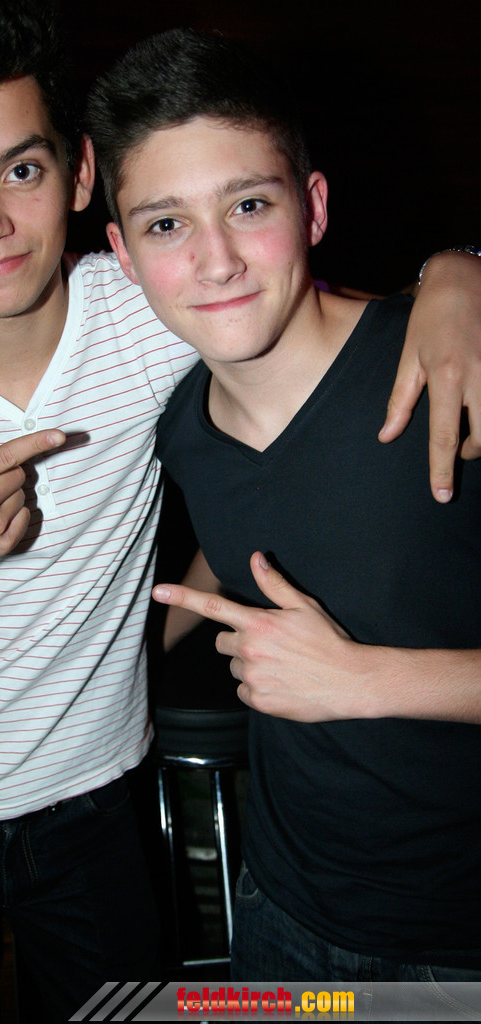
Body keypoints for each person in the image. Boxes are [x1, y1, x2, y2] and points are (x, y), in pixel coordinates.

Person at [0, 3, 479, 1019]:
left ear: (78, 176)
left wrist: (456, 270)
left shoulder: (158, 310)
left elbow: (301, 296)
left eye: (19, 170)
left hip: (102, 802)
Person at [85, 25, 481, 1000]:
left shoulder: (449, 371)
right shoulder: (182, 428)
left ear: (312, 206)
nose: (214, 260)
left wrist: (364, 678)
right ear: (123, 253)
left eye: (247, 205)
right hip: (279, 913)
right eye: (166, 224)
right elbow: (256, 536)